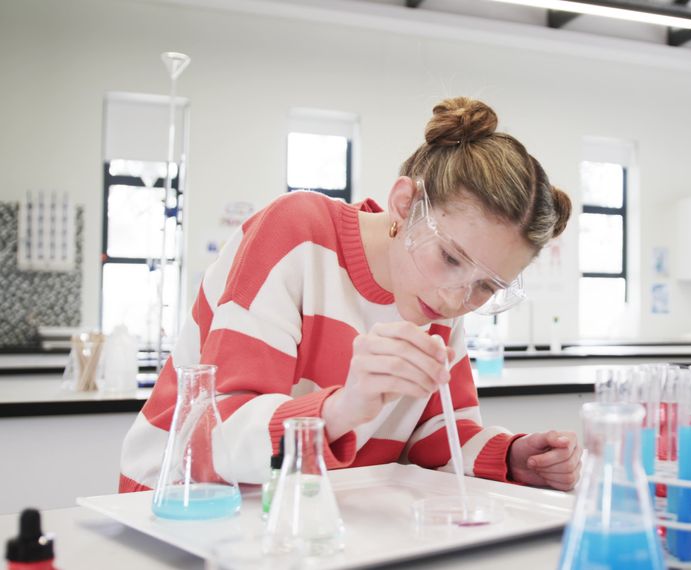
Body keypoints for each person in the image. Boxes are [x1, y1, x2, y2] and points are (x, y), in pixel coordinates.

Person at [119, 97, 580, 493]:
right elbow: (213, 437)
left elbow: (437, 435)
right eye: (452, 258)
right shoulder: (297, 233)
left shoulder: (440, 292)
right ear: (405, 204)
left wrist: (513, 456)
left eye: (487, 286)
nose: (456, 298)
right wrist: (344, 408)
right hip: (177, 499)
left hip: (310, 505)